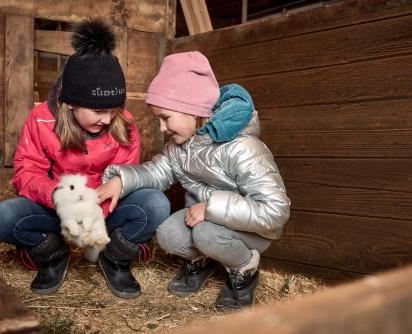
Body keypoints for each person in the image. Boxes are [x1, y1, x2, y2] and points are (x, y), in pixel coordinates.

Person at [0, 19, 170, 297]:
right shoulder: (40, 120)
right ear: (70, 101)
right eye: (98, 111)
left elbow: (129, 174)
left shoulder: (125, 124)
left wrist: (99, 211)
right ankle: (53, 254)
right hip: (59, 211)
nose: (107, 119)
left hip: (105, 212)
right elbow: (27, 172)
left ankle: (114, 257)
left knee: (156, 204)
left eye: (113, 110)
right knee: (2, 218)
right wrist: (61, 198)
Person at [101, 51, 290, 309]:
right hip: (205, 219)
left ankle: (245, 269)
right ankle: (201, 261)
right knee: (168, 234)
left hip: (252, 228)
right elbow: (158, 172)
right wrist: (122, 180)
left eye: (165, 118)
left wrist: (211, 208)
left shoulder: (243, 148)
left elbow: (275, 211)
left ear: (192, 110)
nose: (162, 128)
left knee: (205, 234)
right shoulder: (179, 147)